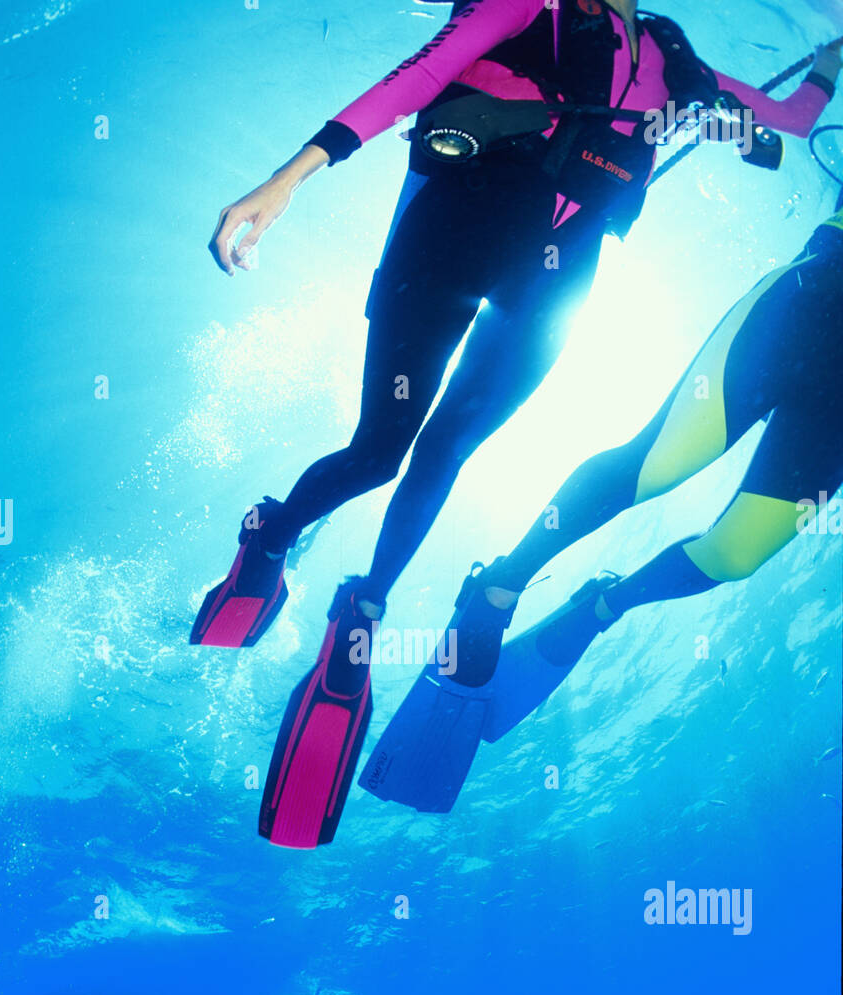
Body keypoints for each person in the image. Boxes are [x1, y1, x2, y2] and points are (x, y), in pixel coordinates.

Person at [192, 0, 839, 650]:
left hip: (555, 281)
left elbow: (789, 118)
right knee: (379, 453)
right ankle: (273, 535)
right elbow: (419, 77)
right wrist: (289, 178)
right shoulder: (534, 4)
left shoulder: (673, 58)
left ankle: (367, 601)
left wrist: (828, 63)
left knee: (447, 451)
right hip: (457, 229)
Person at [358, 195, 843, 813]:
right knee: (656, 466)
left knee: (736, 554)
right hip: (817, 297)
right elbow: (800, 109)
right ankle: (504, 583)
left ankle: (603, 604)